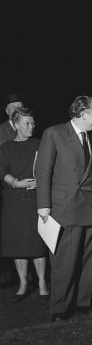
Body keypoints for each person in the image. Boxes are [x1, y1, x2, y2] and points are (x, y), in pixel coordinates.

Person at [36, 95, 92, 322]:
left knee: (91, 258)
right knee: (64, 260)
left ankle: (83, 302)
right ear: (83, 114)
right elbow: (43, 171)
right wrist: (44, 205)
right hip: (65, 207)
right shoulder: (54, 133)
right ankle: (59, 308)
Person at [0, 107, 48, 300]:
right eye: (27, 123)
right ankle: (23, 283)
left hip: (34, 199)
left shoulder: (40, 144)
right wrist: (14, 182)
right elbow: (1, 169)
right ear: (16, 124)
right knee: (17, 244)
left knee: (36, 243)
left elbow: (48, 166)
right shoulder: (6, 147)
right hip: (14, 200)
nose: (31, 126)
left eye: (33, 123)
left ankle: (43, 283)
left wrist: (41, 181)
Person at [0, 92, 25, 288]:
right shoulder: (1, 132)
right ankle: (8, 274)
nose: (18, 110)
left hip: (26, 189)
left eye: (20, 106)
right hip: (6, 188)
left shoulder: (28, 126)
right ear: (8, 112)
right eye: (14, 107)